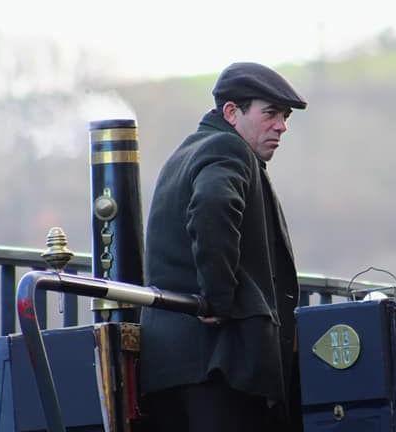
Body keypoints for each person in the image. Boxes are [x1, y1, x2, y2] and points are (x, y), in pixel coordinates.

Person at [139, 62, 307, 432]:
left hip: (174, 366)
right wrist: (218, 298)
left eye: (285, 116)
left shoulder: (186, 153)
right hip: (221, 365)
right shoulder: (227, 148)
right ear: (231, 112)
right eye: (271, 113)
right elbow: (213, 207)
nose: (281, 125)